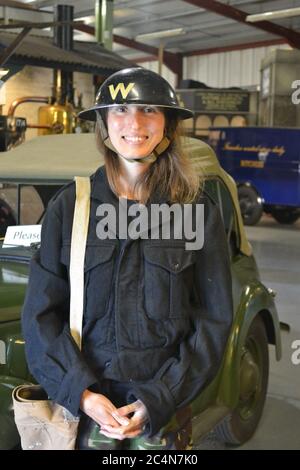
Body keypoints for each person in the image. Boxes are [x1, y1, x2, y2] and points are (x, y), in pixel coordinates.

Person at [22, 67, 233, 450]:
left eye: (149, 109)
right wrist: (81, 393)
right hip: (84, 407)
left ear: (167, 124)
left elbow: (213, 319)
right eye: (119, 110)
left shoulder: (196, 212)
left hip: (161, 411)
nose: (134, 122)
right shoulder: (69, 207)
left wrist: (159, 398)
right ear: (103, 123)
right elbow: (41, 314)